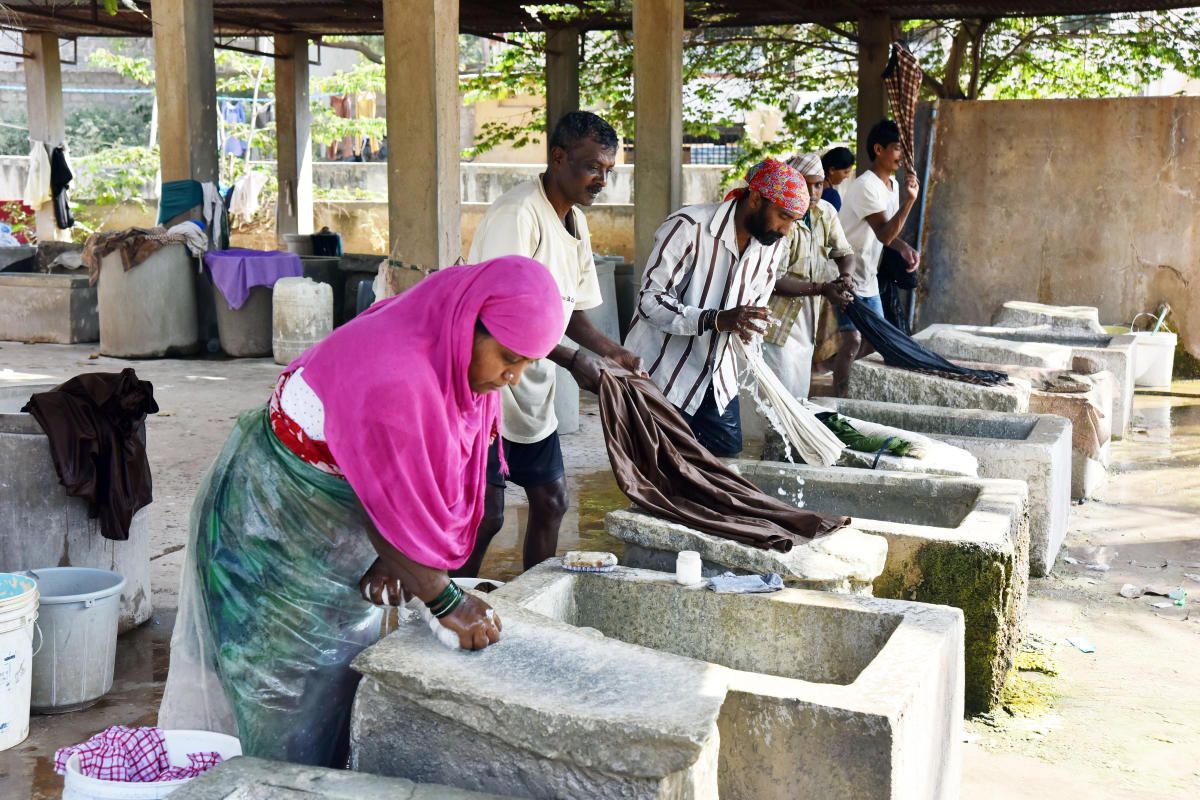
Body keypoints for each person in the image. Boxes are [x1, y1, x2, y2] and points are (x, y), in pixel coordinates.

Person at [159, 256, 566, 767]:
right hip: (271, 523)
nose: (513, 377)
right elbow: (383, 502)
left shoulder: (449, 350)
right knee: (279, 692)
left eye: (528, 364)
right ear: (470, 326)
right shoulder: (400, 375)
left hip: (331, 515)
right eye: (509, 356)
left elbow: (399, 481)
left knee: (332, 684)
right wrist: (445, 601)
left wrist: (398, 559)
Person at [460, 110, 642, 578]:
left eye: (608, 170)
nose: (601, 179)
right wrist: (574, 359)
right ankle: (451, 604)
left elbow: (572, 309)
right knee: (487, 515)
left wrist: (609, 351)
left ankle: (530, 602)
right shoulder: (518, 214)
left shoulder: (575, 222)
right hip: (489, 385)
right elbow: (497, 317)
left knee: (552, 500)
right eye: (591, 167)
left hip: (532, 390)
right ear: (557, 158)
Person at [624, 158, 808, 457]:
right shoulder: (689, 227)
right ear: (756, 198)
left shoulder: (772, 244)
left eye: (793, 221)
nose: (786, 230)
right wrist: (714, 319)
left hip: (717, 376)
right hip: (665, 376)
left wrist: (750, 327)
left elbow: (756, 302)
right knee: (661, 466)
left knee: (726, 458)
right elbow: (649, 300)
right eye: (783, 216)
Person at [834, 119, 920, 395]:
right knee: (853, 339)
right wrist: (910, 202)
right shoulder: (866, 186)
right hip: (843, 272)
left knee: (874, 340)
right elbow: (884, 233)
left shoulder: (892, 186)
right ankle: (839, 400)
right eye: (896, 149)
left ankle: (848, 390)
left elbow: (887, 231)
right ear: (878, 149)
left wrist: (903, 247)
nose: (901, 157)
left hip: (866, 275)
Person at [761, 152, 855, 399]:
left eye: (819, 185)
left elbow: (845, 253)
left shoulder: (825, 212)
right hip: (777, 322)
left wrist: (846, 277)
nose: (813, 192)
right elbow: (770, 281)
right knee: (778, 394)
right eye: (806, 184)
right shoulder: (781, 216)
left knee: (799, 391)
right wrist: (821, 289)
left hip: (807, 320)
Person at [819, 146, 855, 211]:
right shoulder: (831, 196)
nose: (847, 176)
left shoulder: (814, 187)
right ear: (832, 170)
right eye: (846, 172)